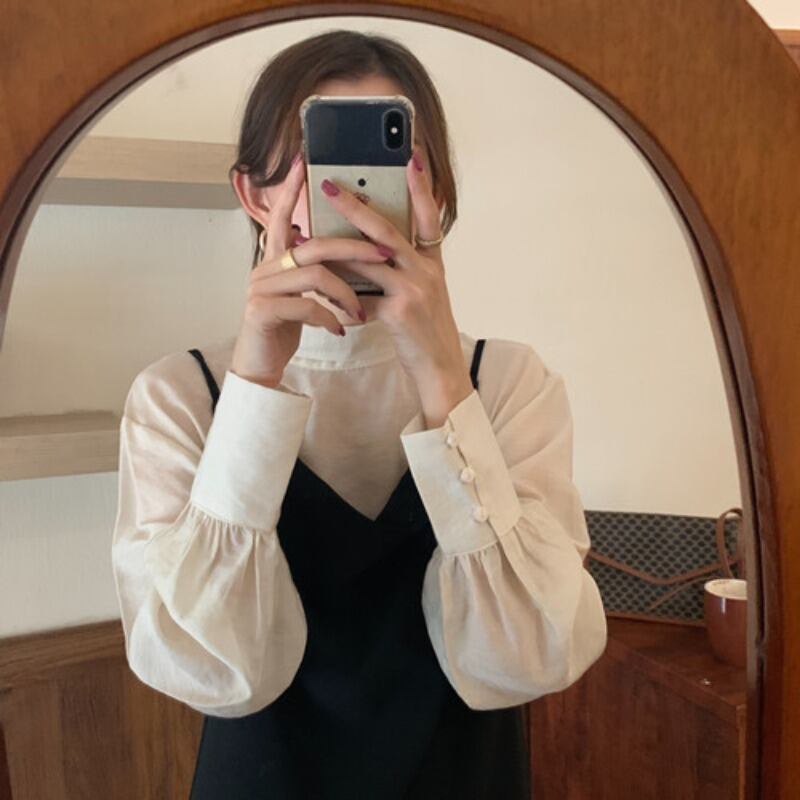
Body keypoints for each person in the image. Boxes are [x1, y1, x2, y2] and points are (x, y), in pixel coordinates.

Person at [111, 29, 608, 799]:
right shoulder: (178, 397)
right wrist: (256, 380)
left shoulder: (510, 384)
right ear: (255, 195)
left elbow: (530, 661)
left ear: (436, 194)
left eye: (391, 161)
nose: (352, 197)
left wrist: (442, 377)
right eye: (320, 163)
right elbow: (211, 672)